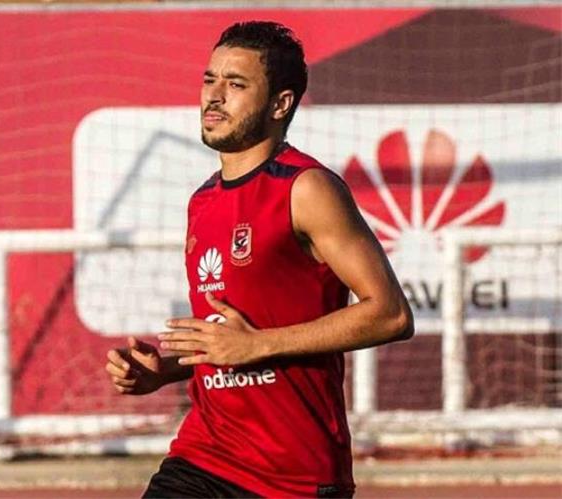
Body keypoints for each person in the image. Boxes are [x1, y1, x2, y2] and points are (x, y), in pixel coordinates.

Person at [105, 21, 413, 498]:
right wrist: (168, 369)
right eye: (210, 79)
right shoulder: (202, 201)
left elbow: (390, 314)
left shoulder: (307, 189)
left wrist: (258, 346)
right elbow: (231, 335)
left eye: (235, 84)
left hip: (293, 475)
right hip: (204, 456)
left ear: (280, 104)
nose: (214, 96)